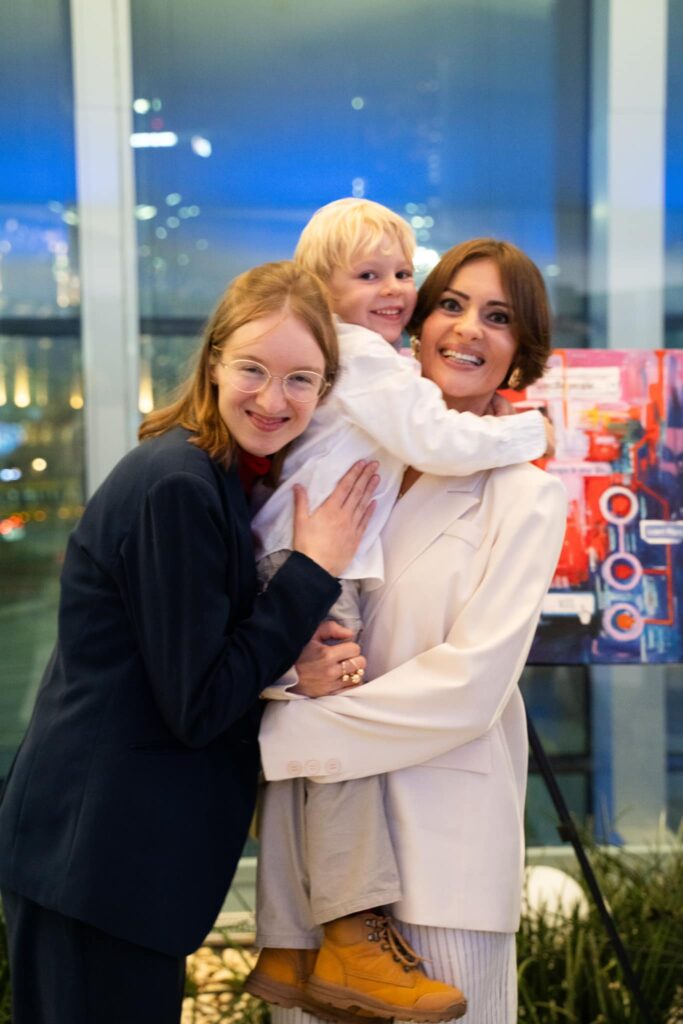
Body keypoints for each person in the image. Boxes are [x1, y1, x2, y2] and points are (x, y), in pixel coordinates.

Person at [0, 260, 380, 1024]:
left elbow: (188, 659)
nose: (273, 399)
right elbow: (198, 704)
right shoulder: (179, 482)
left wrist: (288, 661)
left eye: (300, 379)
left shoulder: (213, 475)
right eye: (253, 369)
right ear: (212, 363)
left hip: (107, 865)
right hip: (98, 866)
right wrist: (312, 570)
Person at [246, 202, 557, 1021]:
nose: (468, 329)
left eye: (498, 317)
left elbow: (468, 687)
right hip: (311, 893)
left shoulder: (526, 495)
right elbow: (279, 617)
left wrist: (278, 737)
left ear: (520, 349)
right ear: (417, 323)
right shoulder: (351, 451)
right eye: (451, 304)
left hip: (441, 852)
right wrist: (287, 672)